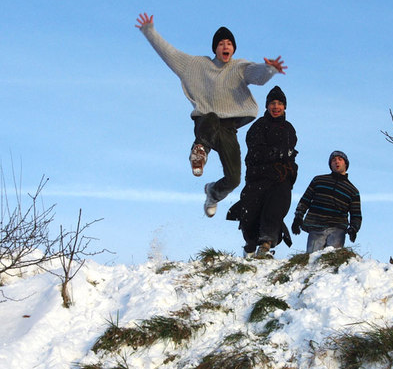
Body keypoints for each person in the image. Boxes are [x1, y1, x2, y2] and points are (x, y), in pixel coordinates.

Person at [135, 13, 287, 218]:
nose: (226, 46)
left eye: (229, 44)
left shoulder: (239, 67)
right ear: (215, 48)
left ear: (233, 48)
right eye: (221, 43)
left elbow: (256, 75)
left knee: (234, 179)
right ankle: (199, 152)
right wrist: (149, 31)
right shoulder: (195, 65)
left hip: (228, 128)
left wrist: (269, 69)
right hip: (205, 121)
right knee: (211, 117)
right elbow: (169, 53)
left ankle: (213, 193)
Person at [226, 86, 298, 258]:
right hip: (258, 177)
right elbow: (254, 153)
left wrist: (290, 171)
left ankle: (265, 245)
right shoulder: (258, 126)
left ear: (284, 107)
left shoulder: (289, 129)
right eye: (272, 103)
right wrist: (276, 154)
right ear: (267, 106)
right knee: (251, 214)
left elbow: (291, 154)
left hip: (280, 178)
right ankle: (250, 247)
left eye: (280, 103)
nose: (276, 107)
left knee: (275, 209)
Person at [291, 151, 362, 253]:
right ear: (330, 165)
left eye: (340, 159)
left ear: (345, 164)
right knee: (312, 260)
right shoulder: (318, 180)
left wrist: (354, 229)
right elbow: (305, 200)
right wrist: (298, 217)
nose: (336, 162)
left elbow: (356, 214)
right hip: (316, 226)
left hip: (337, 228)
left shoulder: (353, 191)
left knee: (331, 261)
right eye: (333, 160)